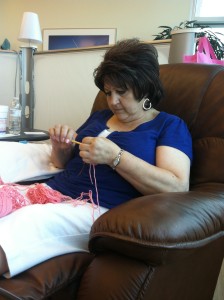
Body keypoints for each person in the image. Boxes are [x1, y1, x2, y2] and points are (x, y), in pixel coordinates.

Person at [0, 38, 192, 278]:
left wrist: (115, 157)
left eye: (121, 92)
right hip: (51, 191)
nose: (112, 101)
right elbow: (61, 164)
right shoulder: (100, 117)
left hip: (95, 209)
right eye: (108, 92)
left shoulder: (168, 125)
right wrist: (61, 147)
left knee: (27, 222)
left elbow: (177, 186)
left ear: (145, 86)